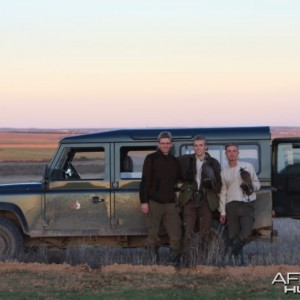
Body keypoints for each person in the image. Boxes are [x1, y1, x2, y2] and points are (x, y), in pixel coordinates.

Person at [177, 136, 222, 265]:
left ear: (206, 146)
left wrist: (211, 185)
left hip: (205, 200)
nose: (198, 148)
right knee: (188, 232)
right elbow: (172, 165)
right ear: (193, 147)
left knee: (205, 232)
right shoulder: (186, 160)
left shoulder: (213, 163)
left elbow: (219, 183)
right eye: (196, 145)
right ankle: (187, 261)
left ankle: (202, 261)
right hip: (190, 200)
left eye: (201, 145)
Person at [139, 131, 182, 266]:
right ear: (158, 144)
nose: (165, 145)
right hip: (154, 202)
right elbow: (145, 181)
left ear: (171, 144)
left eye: (167, 143)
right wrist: (144, 201)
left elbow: (179, 179)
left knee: (176, 234)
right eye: (162, 143)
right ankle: (153, 265)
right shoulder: (151, 159)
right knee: (153, 235)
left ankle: (174, 265)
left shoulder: (174, 161)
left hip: (170, 203)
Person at [219, 143, 260, 261]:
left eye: (234, 151)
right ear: (226, 154)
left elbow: (257, 184)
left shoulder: (248, 166)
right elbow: (223, 192)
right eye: (229, 151)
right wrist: (222, 212)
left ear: (238, 153)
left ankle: (230, 253)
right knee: (232, 235)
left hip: (246, 204)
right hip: (231, 206)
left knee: (246, 234)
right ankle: (237, 262)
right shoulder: (224, 172)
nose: (232, 153)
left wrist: (251, 187)